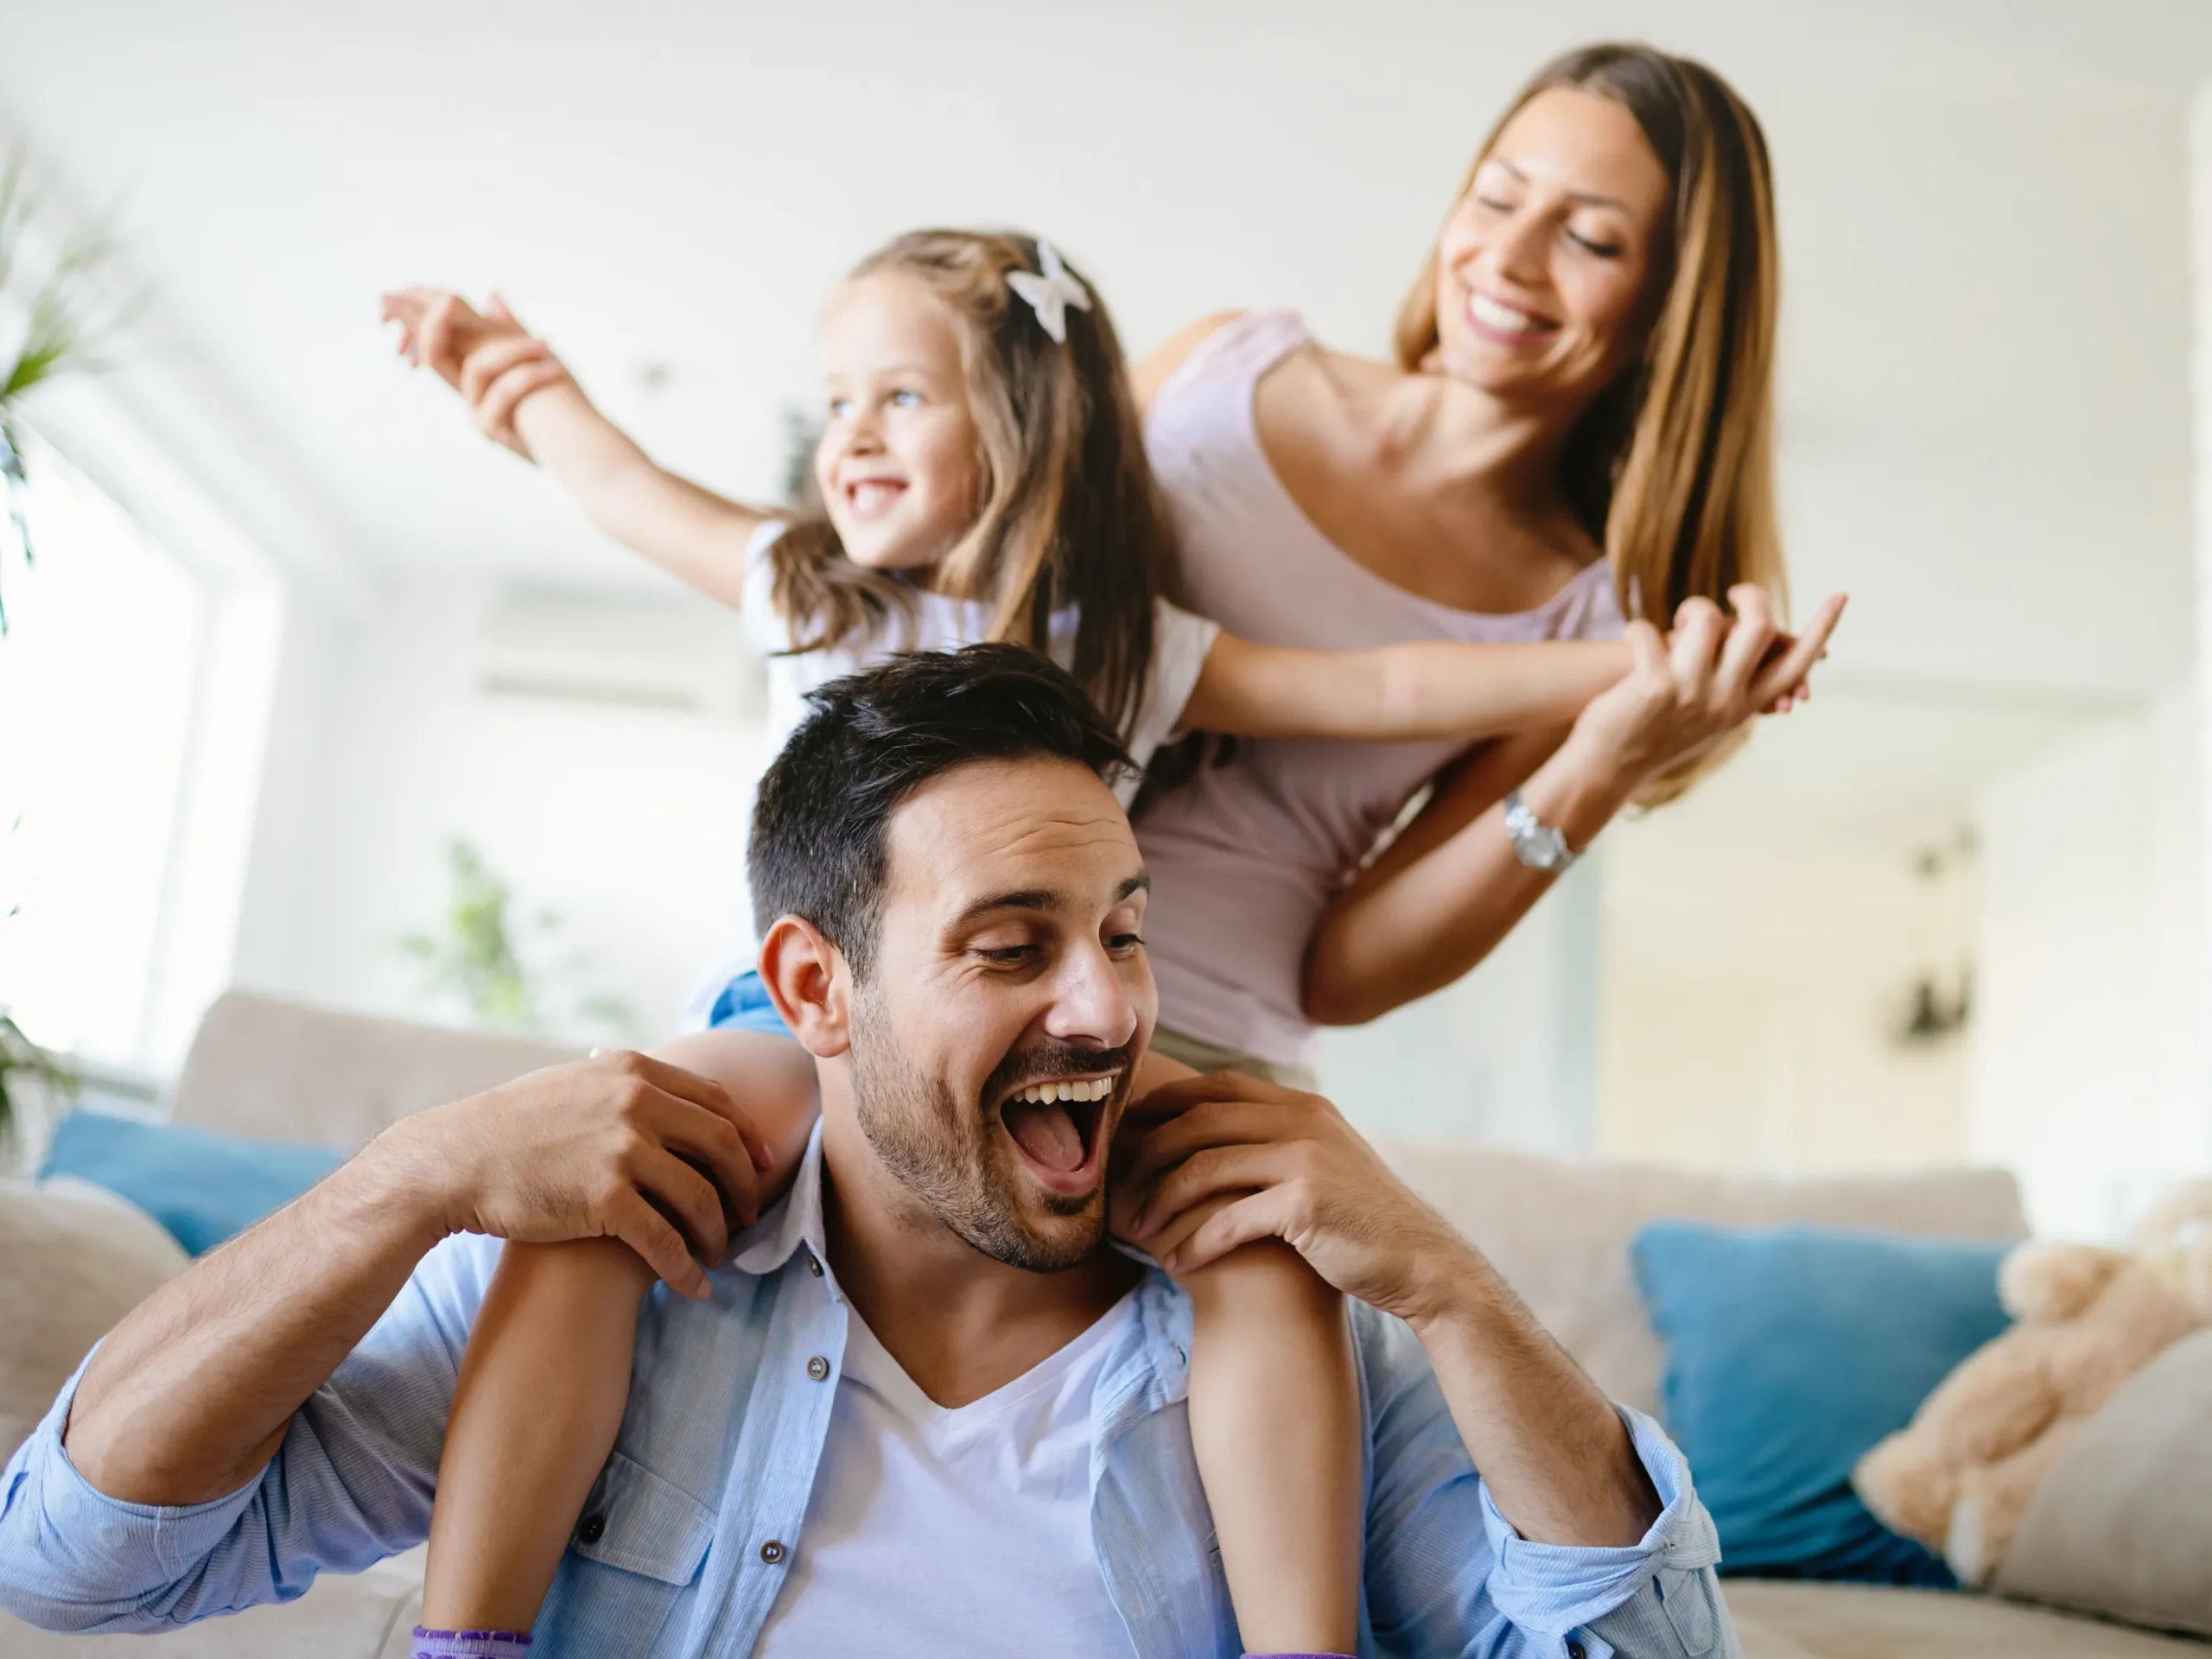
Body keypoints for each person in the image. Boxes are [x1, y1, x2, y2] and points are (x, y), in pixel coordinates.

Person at [378, 229, 1813, 1655]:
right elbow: (621, 486)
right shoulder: (806, 582)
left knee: (1262, 1252)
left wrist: (1653, 668)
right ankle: (466, 1639)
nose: (849, 435)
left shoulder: (1130, 643)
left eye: (900, 397)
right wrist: (523, 386)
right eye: (838, 400)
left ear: (1017, 427)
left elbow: (1391, 686)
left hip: (1050, 1062)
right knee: (602, 1192)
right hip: (793, 1035)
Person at [0, 645, 1738, 1658]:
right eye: (1012, 946)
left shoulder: (1292, 1320)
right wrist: (404, 1179)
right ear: (814, 989)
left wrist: (1452, 1289)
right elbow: (73, 1563)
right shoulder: (626, 1268)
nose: (1106, 1007)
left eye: (1124, 933)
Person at [1127, 41, 1837, 1077]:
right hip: (943, 961)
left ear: (1670, 310)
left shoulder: (1586, 620)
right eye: (1496, 198)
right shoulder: (1214, 366)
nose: (1507, 258)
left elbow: (1344, 979)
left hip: (1195, 1049)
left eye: (1589, 239)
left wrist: (1603, 764)